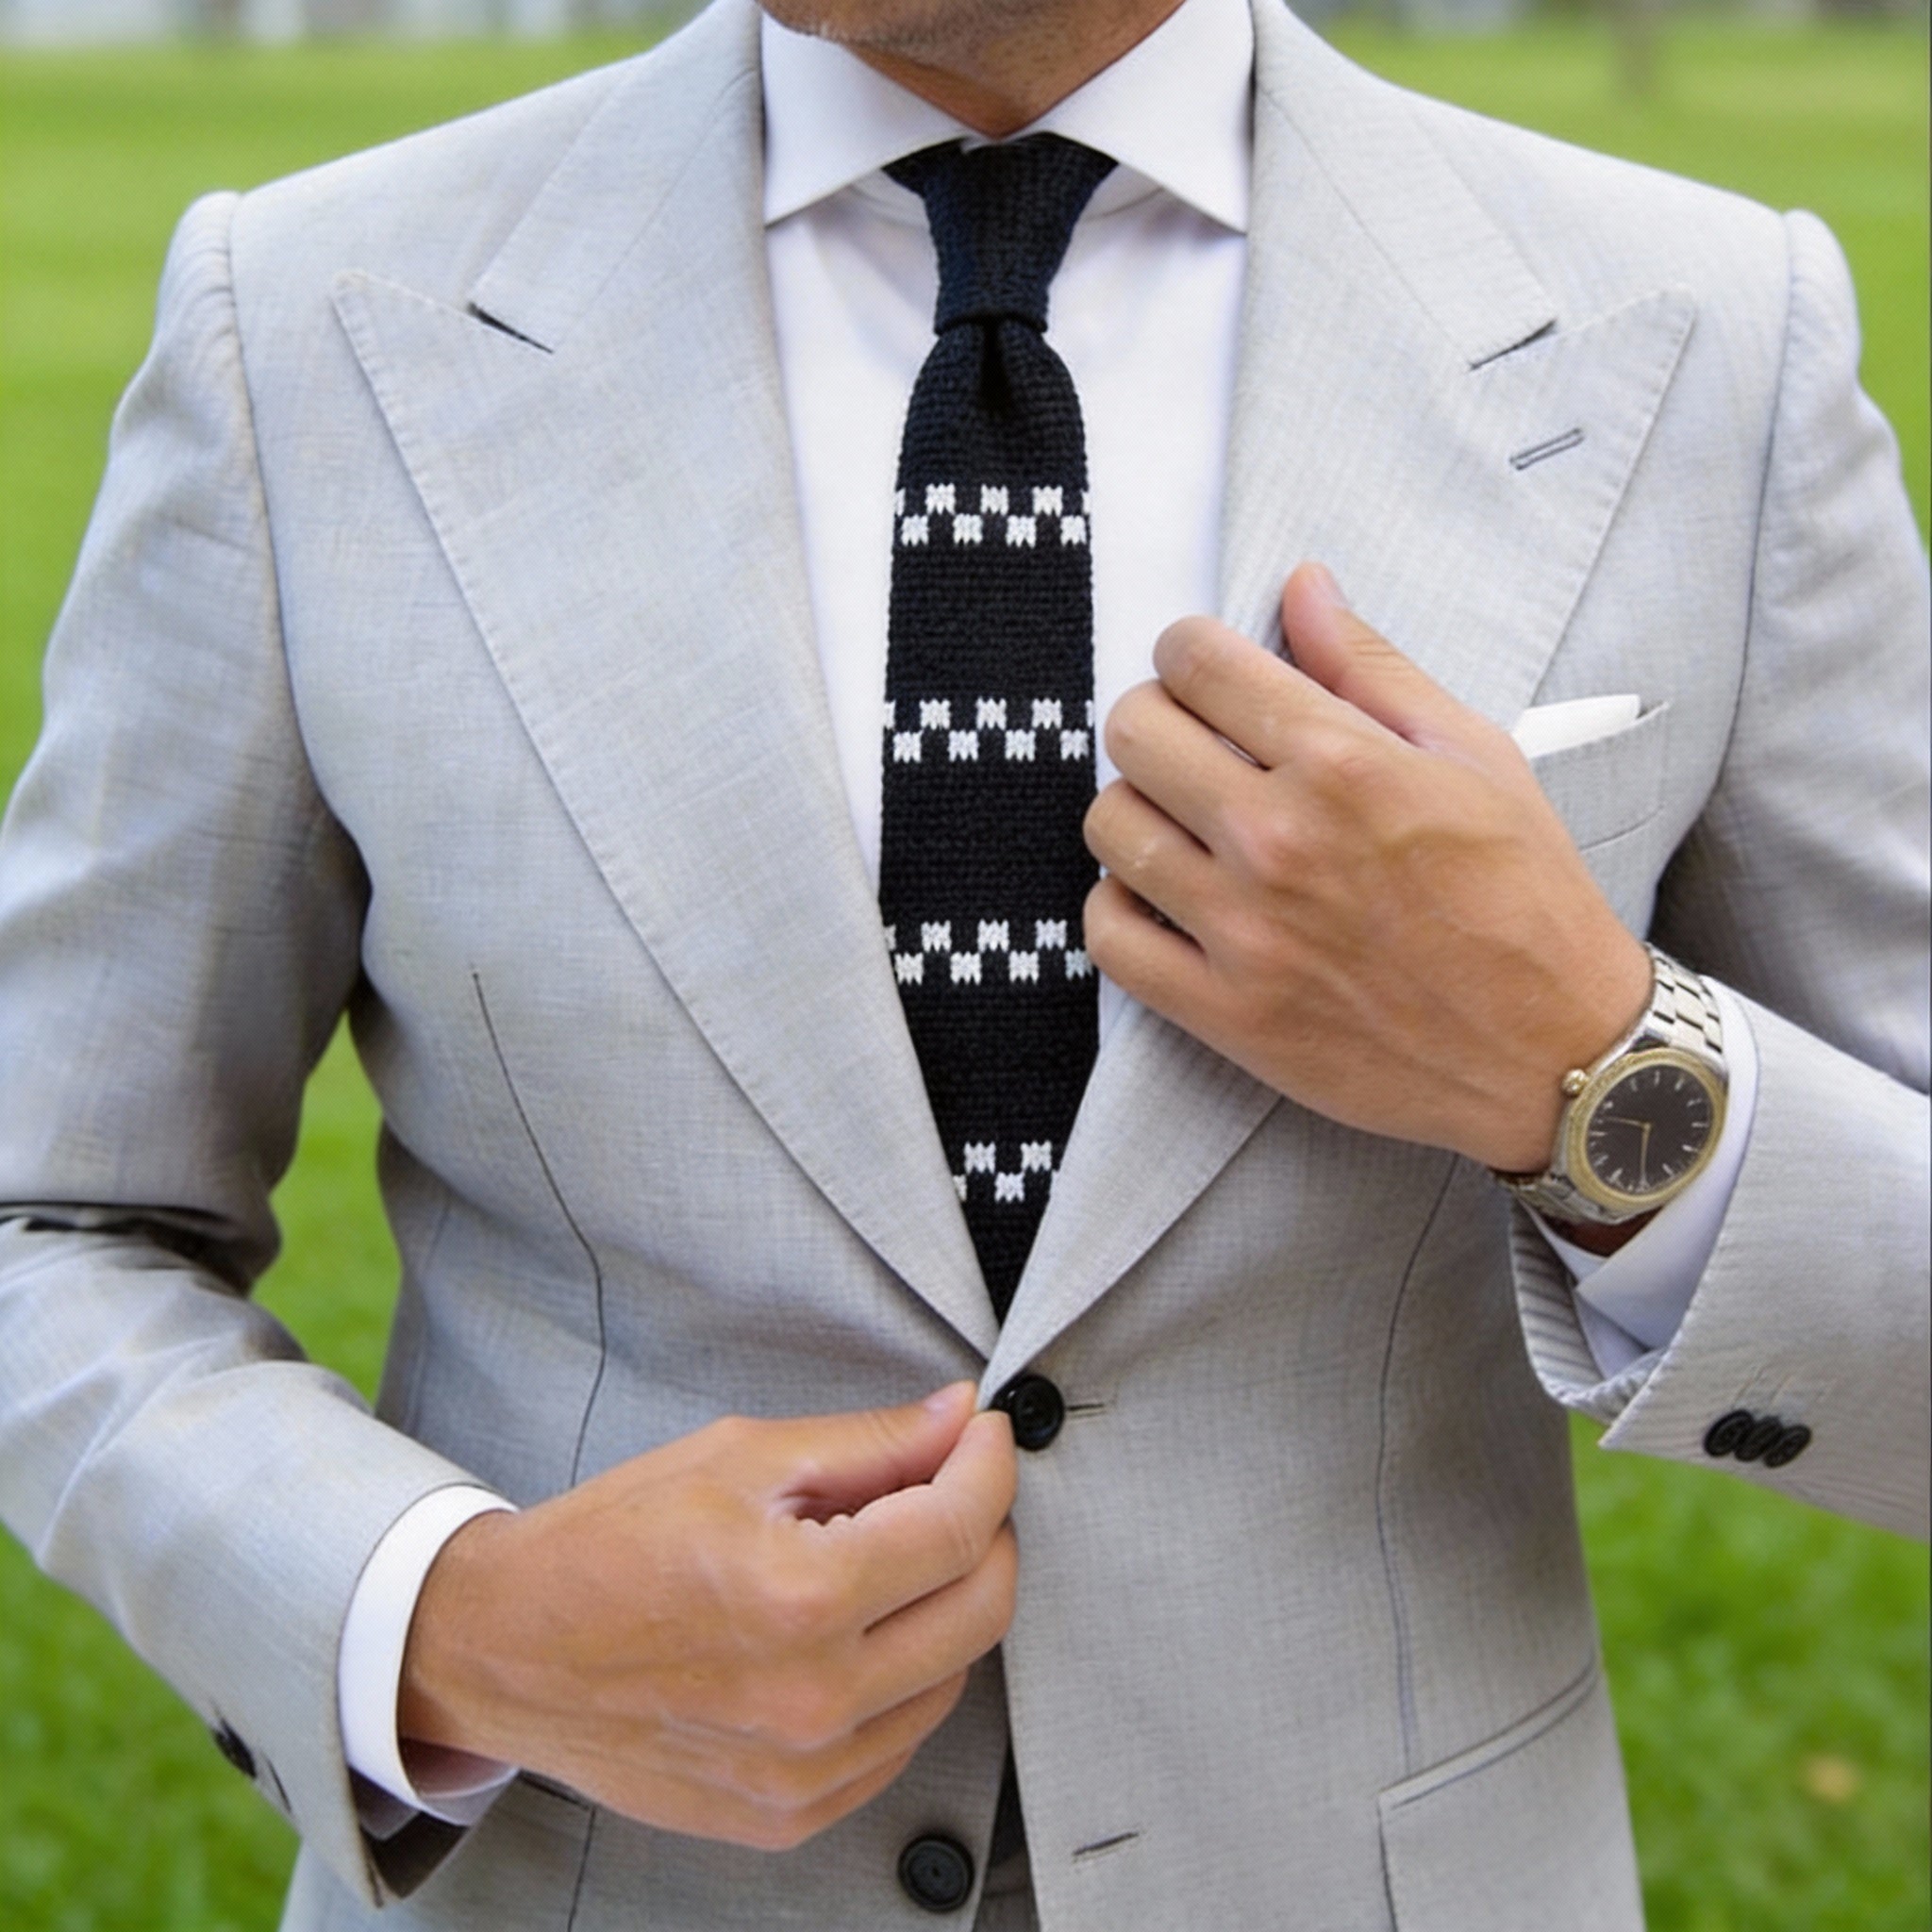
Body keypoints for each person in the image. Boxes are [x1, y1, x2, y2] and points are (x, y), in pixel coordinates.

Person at [0, 0, 1924, 1925]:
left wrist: (1589, 1074)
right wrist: (446, 1619)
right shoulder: (309, 316)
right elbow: (51, 1220)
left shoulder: (1708, 334)